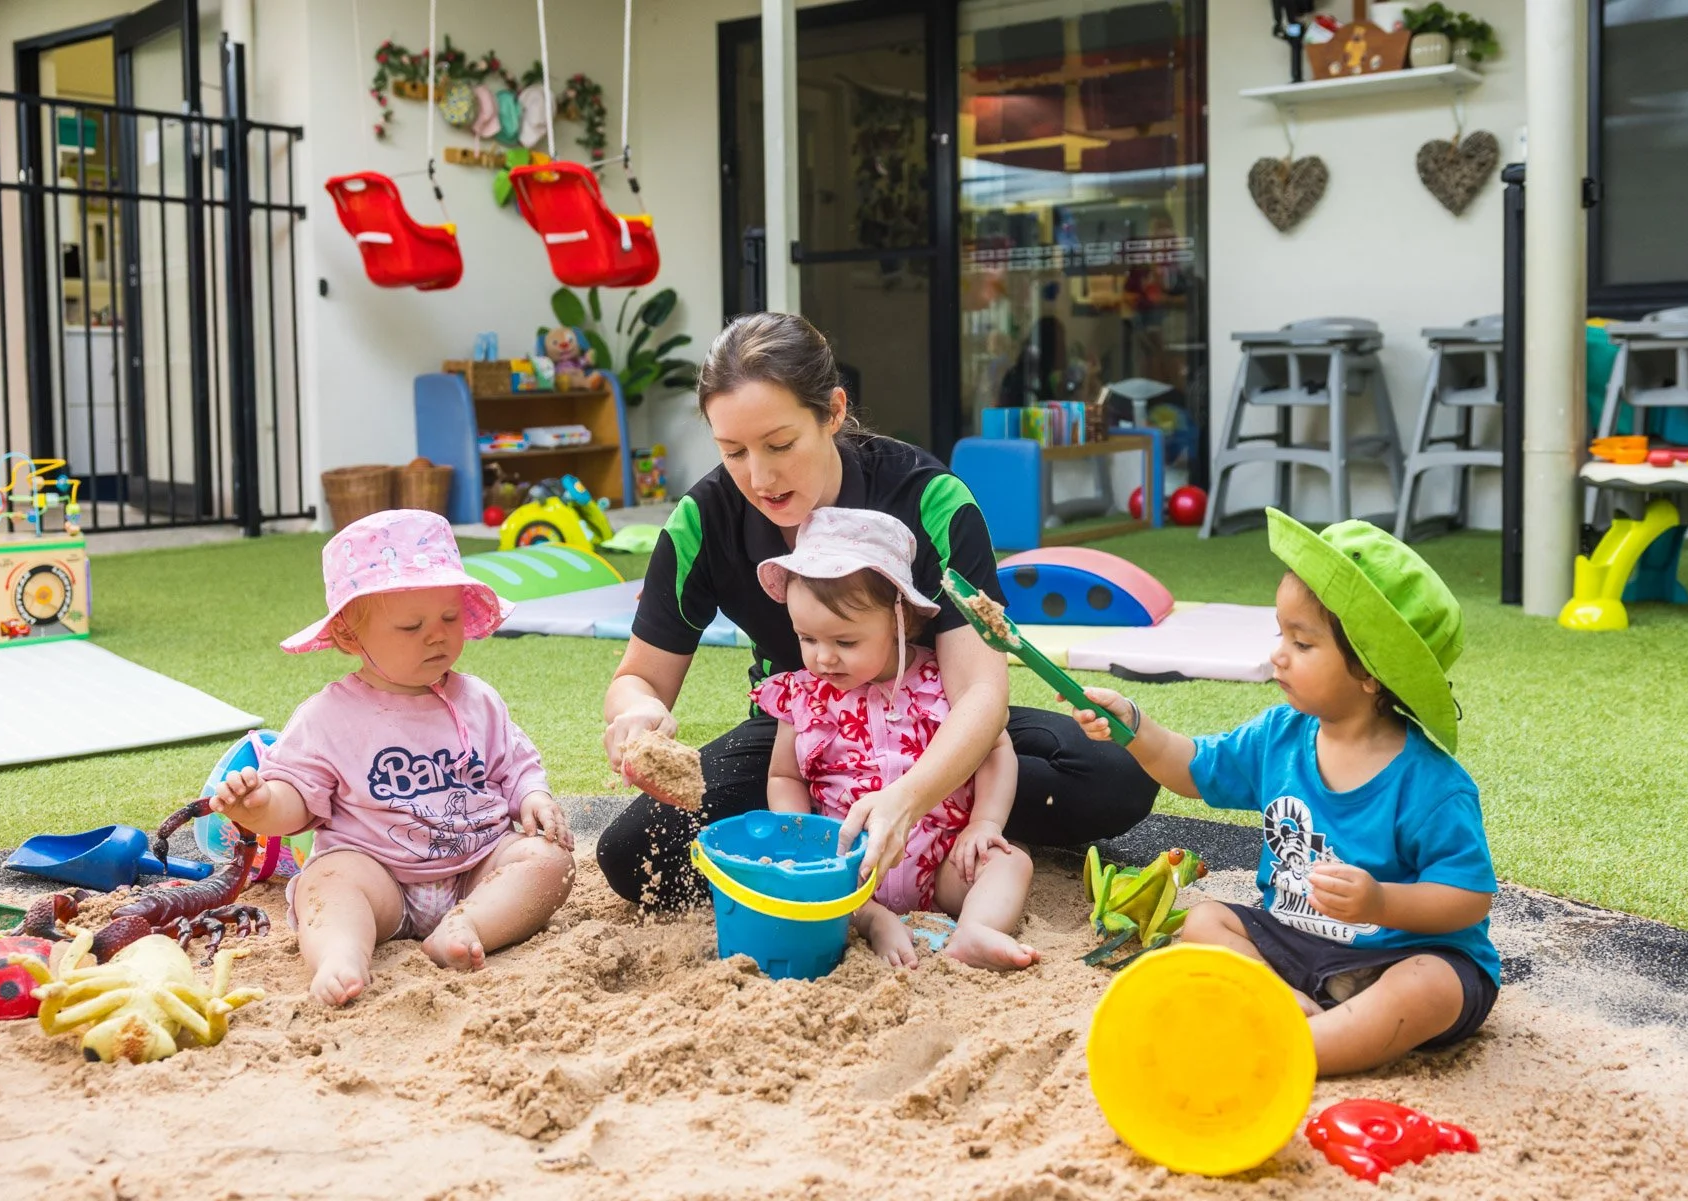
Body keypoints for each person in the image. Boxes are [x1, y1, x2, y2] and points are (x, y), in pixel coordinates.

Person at [599, 311, 1157, 910]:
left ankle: (953, 826)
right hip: (804, 736)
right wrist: (637, 716)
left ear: (833, 412)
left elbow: (980, 694)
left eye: (780, 444)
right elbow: (639, 679)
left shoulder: (928, 497)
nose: (760, 478)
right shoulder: (703, 520)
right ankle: (858, 821)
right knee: (633, 854)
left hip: (927, 717)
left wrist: (909, 795)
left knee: (1113, 775)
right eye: (733, 451)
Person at [1071, 509, 1498, 1075]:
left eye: (1302, 642)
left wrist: (1380, 902)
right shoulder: (1279, 737)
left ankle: (1294, 1048)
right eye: (1281, 633)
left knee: (1431, 989)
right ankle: (1290, 1010)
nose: (1278, 654)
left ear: (1371, 673)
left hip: (1400, 953)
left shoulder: (1433, 784)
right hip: (1296, 944)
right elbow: (1193, 769)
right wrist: (1135, 725)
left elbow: (1468, 899)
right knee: (1203, 925)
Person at [211, 510, 576, 1007]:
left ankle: (467, 926)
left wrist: (533, 795)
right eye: (411, 625)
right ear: (348, 636)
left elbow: (514, 764)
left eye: (450, 617)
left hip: (476, 865)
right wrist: (258, 806)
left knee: (550, 863)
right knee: (328, 882)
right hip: (379, 876)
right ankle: (342, 955)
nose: (437, 635)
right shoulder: (328, 716)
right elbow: (296, 800)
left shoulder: (479, 700)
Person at [753, 507, 1036, 970]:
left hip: (942, 862)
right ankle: (870, 918)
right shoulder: (802, 696)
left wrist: (985, 824)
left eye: (845, 642)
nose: (823, 658)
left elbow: (996, 749)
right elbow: (785, 773)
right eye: (806, 638)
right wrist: (802, 836)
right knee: (803, 885)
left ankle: (976, 929)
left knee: (1011, 862)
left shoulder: (941, 681)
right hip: (849, 864)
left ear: (900, 620)